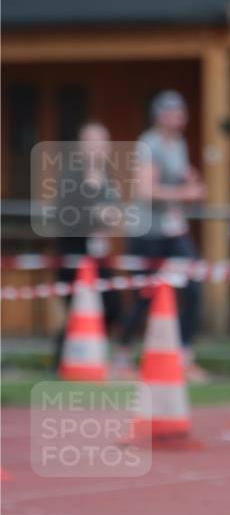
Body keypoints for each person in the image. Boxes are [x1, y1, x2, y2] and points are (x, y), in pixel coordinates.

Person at [115, 90, 208, 381]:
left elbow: (178, 177)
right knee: (145, 294)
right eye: (173, 112)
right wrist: (185, 192)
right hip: (147, 230)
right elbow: (145, 191)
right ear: (160, 116)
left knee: (193, 285)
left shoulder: (178, 143)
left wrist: (189, 179)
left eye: (181, 112)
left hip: (173, 229)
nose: (179, 117)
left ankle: (184, 354)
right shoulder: (149, 143)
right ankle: (123, 353)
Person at [53, 121, 124, 368]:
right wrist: (96, 212)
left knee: (112, 306)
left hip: (99, 256)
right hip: (73, 256)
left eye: (100, 142)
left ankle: (83, 356)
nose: (96, 148)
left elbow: (115, 214)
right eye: (90, 142)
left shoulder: (107, 177)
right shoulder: (71, 176)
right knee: (77, 310)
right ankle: (64, 360)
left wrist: (107, 214)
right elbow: (68, 214)